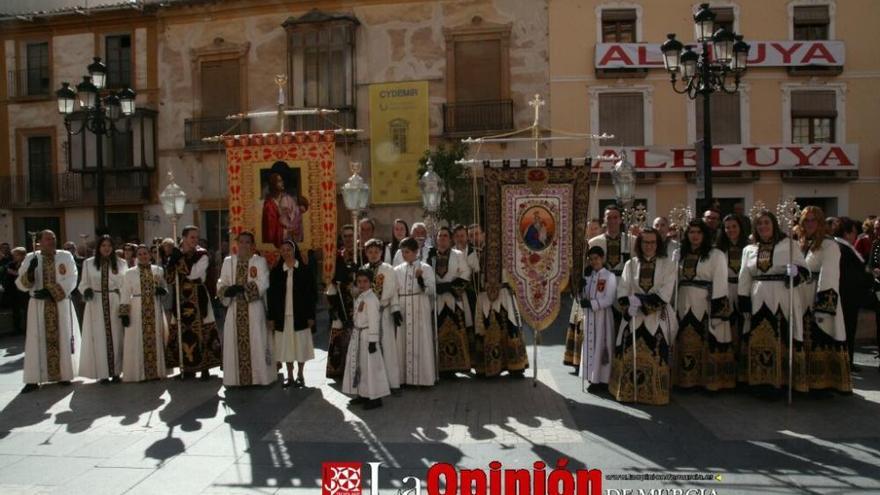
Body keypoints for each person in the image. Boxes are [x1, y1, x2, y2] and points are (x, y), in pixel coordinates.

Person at [737, 210, 808, 392]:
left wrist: (796, 272)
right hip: (758, 296)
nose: (763, 226)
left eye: (766, 222)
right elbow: (744, 275)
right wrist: (743, 298)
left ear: (774, 224)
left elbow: (805, 270)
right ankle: (760, 380)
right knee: (758, 336)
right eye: (759, 224)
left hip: (782, 295)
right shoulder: (749, 249)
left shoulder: (789, 245)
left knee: (781, 334)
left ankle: (782, 381)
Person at [609, 228, 677, 405]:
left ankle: (655, 393)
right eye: (645, 242)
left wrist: (639, 301)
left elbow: (665, 294)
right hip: (633, 316)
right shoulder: (630, 265)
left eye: (653, 242)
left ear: (658, 244)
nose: (649, 246)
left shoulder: (668, 264)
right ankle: (627, 391)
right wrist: (628, 304)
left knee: (658, 350)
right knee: (625, 349)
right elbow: (622, 290)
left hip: (657, 316)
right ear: (639, 244)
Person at [15, 230, 81, 393]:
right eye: (47, 239)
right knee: (35, 340)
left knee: (63, 337)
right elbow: (21, 284)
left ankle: (64, 374)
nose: (51, 241)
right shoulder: (31, 257)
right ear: (39, 242)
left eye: (53, 238)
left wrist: (52, 291)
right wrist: (30, 272)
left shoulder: (65, 256)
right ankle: (33, 379)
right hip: (38, 305)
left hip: (60, 303)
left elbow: (72, 278)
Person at [567, 205, 632, 370]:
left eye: (615, 217)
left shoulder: (631, 241)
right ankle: (597, 366)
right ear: (604, 220)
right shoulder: (594, 242)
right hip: (599, 288)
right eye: (609, 217)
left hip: (623, 286)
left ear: (621, 219)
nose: (612, 221)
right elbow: (585, 267)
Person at [674, 220, 735, 391]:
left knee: (707, 340)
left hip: (705, 302)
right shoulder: (680, 254)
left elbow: (721, 282)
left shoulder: (716, 255)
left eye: (698, 232)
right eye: (691, 232)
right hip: (683, 302)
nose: (694, 235)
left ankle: (709, 382)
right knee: (685, 340)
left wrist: (717, 308)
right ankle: (686, 380)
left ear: (705, 235)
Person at [797, 207, 852, 393]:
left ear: (820, 223)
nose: (810, 224)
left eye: (813, 220)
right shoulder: (802, 243)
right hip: (801, 298)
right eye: (806, 220)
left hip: (819, 298)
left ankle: (823, 384)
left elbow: (829, 275)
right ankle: (805, 381)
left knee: (820, 338)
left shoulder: (829, 245)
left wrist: (823, 307)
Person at [217, 231, 274, 387]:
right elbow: (222, 282)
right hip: (234, 309)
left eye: (247, 242)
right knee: (234, 342)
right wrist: (227, 290)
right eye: (241, 242)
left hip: (254, 309)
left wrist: (242, 288)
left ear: (253, 245)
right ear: (237, 244)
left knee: (256, 341)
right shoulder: (228, 262)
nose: (243, 245)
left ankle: (259, 378)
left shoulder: (259, 261)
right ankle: (234, 379)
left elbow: (263, 282)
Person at [164, 225, 221, 381]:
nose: (195, 240)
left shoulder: (202, 254)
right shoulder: (176, 253)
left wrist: (179, 260)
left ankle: (205, 367)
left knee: (202, 329)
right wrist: (171, 262)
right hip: (180, 296)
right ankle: (187, 367)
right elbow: (169, 278)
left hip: (197, 295)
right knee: (182, 330)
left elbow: (193, 274)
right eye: (192, 237)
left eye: (196, 237)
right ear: (183, 237)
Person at [78, 235, 127, 383]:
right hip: (96, 302)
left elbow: (125, 285)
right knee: (99, 338)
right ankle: (103, 373)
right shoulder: (88, 263)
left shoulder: (121, 263)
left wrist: (125, 307)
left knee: (116, 335)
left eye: (109, 246)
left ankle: (117, 371)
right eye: (103, 245)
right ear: (98, 247)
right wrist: (86, 290)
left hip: (114, 301)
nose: (106, 248)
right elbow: (83, 283)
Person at [268, 240, 316, 388]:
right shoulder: (276, 272)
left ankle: (300, 374)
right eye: (283, 250)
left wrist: (311, 316)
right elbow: (271, 296)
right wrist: (271, 317)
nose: (286, 252)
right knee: (286, 346)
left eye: (288, 249)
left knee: (300, 345)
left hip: (301, 314)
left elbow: (312, 294)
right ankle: (289, 375)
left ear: (294, 250)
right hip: (283, 316)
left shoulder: (305, 270)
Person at [343, 269, 391, 409]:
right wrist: (352, 322)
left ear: (371, 283)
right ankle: (362, 393)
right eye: (359, 281)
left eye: (365, 281)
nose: (362, 284)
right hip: (357, 335)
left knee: (371, 367)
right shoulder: (360, 297)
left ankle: (375, 397)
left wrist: (373, 341)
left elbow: (374, 320)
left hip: (367, 337)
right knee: (360, 366)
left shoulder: (371, 298)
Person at [119, 245, 168, 382]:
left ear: (150, 255)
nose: (143, 256)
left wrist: (162, 291)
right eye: (140, 254)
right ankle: (138, 373)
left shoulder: (158, 270)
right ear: (136, 256)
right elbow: (125, 293)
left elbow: (164, 287)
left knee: (156, 337)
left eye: (145, 253)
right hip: (136, 307)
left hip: (154, 306)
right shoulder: (129, 273)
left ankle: (155, 372)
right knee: (137, 339)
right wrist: (124, 313)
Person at [427, 227, 472, 376]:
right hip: (437, 300)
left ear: (450, 239)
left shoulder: (458, 255)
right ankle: (441, 367)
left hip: (453, 298)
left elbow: (466, 272)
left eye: (446, 236)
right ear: (436, 238)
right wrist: (434, 287)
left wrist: (451, 286)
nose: (443, 238)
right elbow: (425, 274)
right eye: (440, 236)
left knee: (457, 329)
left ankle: (458, 365)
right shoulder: (430, 256)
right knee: (437, 332)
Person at [394, 237, 437, 386]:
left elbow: (431, 290)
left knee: (421, 339)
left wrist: (420, 280)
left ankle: (423, 379)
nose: (405, 255)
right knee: (402, 341)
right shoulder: (397, 270)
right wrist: (395, 309)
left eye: (407, 252)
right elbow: (394, 291)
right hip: (404, 306)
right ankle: (403, 378)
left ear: (416, 252)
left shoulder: (425, 268)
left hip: (419, 305)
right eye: (403, 252)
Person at [361, 239, 401, 390]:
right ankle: (373, 384)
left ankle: (392, 383)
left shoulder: (388, 269)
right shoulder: (363, 269)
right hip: (368, 315)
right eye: (370, 252)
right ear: (365, 253)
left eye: (376, 252)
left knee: (388, 346)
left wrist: (395, 309)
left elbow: (394, 291)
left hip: (383, 312)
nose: (373, 255)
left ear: (381, 253)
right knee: (370, 348)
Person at [834, 217, 872, 372]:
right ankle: (846, 361)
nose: (856, 236)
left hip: (849, 297)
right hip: (847, 297)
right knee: (847, 330)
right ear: (847, 233)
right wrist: (868, 277)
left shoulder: (843, 247)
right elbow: (851, 276)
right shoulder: (842, 248)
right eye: (854, 232)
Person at [579, 246, 617, 391]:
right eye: (591, 259)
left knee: (602, 346)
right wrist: (580, 288)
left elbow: (609, 299)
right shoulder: (588, 277)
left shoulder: (609, 276)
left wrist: (592, 304)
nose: (594, 261)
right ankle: (592, 377)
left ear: (603, 259)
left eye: (596, 258)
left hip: (603, 319)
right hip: (589, 317)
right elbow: (582, 297)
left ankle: (603, 380)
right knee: (591, 346)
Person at [326, 224, 358, 380]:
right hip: (341, 301)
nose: (348, 239)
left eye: (351, 235)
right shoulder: (336, 256)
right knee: (340, 336)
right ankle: (340, 369)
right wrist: (331, 305)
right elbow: (330, 281)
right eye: (345, 236)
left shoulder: (362, 253)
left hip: (358, 302)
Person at [717, 214, 749, 356]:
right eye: (727, 227)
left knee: (745, 324)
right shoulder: (718, 248)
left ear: (740, 227)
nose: (731, 230)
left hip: (744, 288)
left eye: (734, 226)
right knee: (727, 326)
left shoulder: (750, 246)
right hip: (726, 288)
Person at [262, 164, 309, 247]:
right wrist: (287, 231)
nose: (282, 182)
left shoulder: (288, 198)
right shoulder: (269, 205)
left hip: (292, 237)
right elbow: (270, 230)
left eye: (282, 180)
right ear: (273, 184)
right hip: (281, 240)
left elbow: (296, 215)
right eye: (279, 181)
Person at [5, 247, 28, 334]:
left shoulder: (26, 263)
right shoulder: (11, 264)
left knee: (26, 310)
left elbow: (24, 275)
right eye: (13, 255)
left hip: (24, 291)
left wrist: (14, 273)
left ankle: (27, 328)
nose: (14, 257)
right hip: (14, 291)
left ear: (22, 255)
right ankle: (17, 329)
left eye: (15, 255)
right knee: (16, 311)